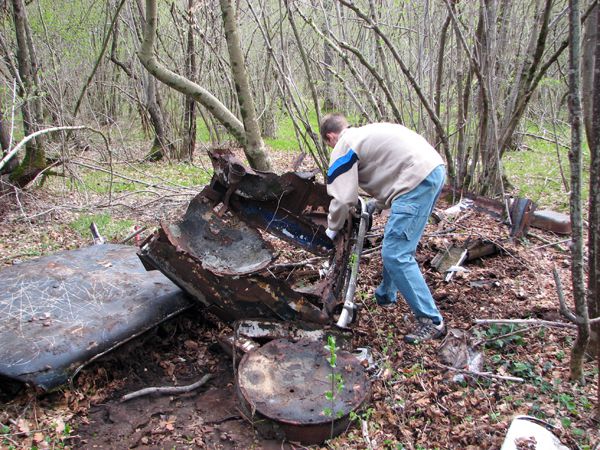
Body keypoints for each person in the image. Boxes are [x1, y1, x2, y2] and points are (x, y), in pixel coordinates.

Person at [321, 113, 446, 344]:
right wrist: (376, 204)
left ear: (330, 137)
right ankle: (386, 296)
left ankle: (431, 320)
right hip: (432, 170)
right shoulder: (365, 133)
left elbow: (342, 199)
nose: (331, 147)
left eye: (328, 144)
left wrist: (331, 228)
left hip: (415, 180)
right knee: (395, 244)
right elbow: (389, 169)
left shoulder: (343, 145)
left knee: (396, 254)